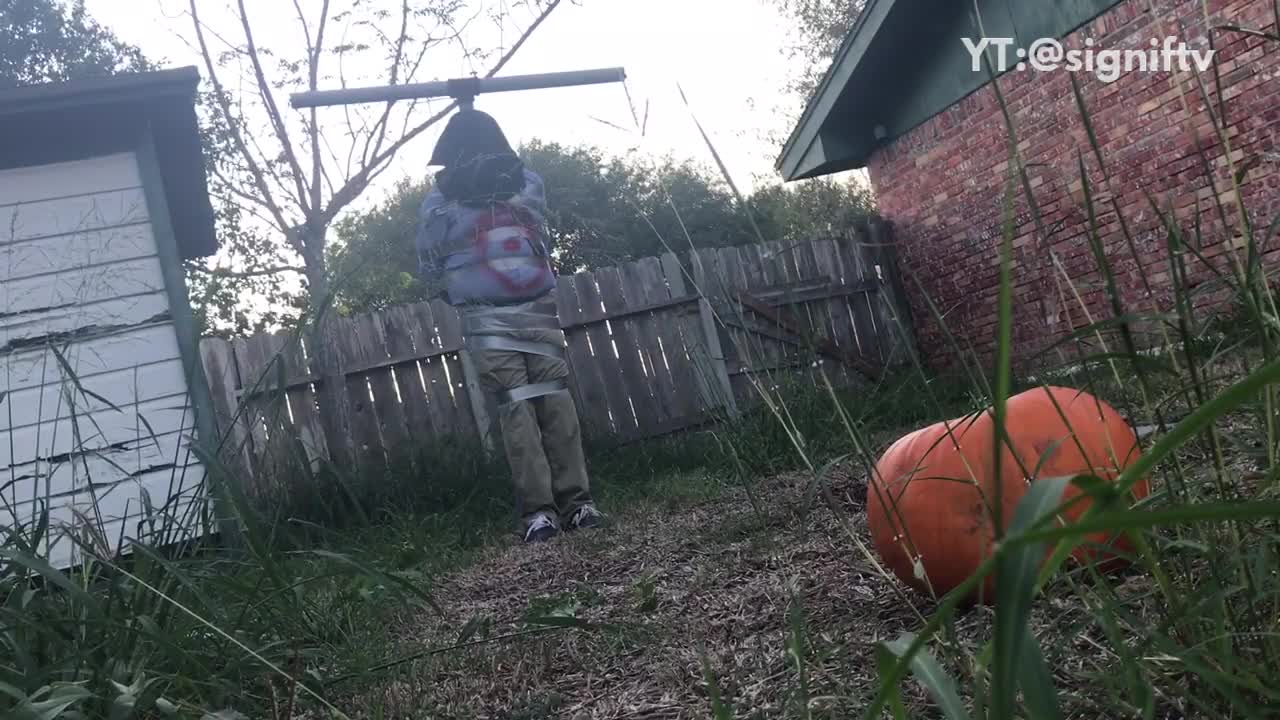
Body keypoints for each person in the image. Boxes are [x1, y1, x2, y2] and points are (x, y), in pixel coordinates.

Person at [415, 107, 604, 543]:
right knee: (551, 402)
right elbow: (544, 239)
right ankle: (577, 505)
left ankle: (543, 514)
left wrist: (462, 291)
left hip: (489, 314)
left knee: (520, 406)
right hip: (535, 307)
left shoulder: (440, 201)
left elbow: (429, 264)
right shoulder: (528, 183)